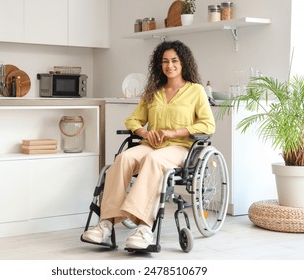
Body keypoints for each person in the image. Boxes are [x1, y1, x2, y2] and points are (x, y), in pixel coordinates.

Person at [82, 40, 215, 250]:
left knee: (153, 160)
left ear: (183, 63)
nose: (169, 65)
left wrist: (173, 132)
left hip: (180, 147)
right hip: (151, 144)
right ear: (159, 65)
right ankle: (106, 223)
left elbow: (207, 124)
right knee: (123, 158)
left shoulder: (196, 91)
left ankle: (144, 227)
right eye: (165, 61)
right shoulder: (153, 91)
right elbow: (133, 120)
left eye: (174, 60)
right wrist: (145, 132)